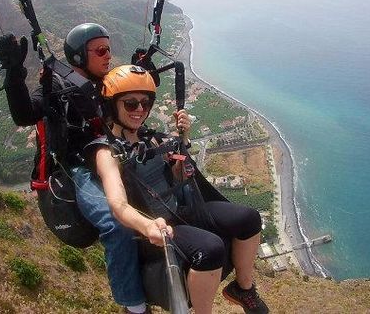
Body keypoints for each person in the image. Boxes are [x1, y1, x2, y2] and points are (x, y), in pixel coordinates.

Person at [86, 65, 269, 314]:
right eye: (130, 103)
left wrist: (183, 143)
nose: (140, 109)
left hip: (178, 210)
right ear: (111, 105)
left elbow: (177, 178)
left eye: (145, 103)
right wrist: (147, 226)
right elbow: (117, 205)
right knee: (211, 248)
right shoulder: (107, 152)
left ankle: (243, 289)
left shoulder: (150, 139)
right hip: (155, 226)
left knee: (249, 218)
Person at [0, 24, 149, 314]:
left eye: (109, 49)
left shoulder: (106, 84)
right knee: (116, 223)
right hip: (80, 168)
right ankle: (134, 306)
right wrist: (14, 74)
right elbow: (25, 114)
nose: (108, 56)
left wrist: (142, 71)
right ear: (79, 56)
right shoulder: (57, 87)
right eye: (101, 50)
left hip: (112, 156)